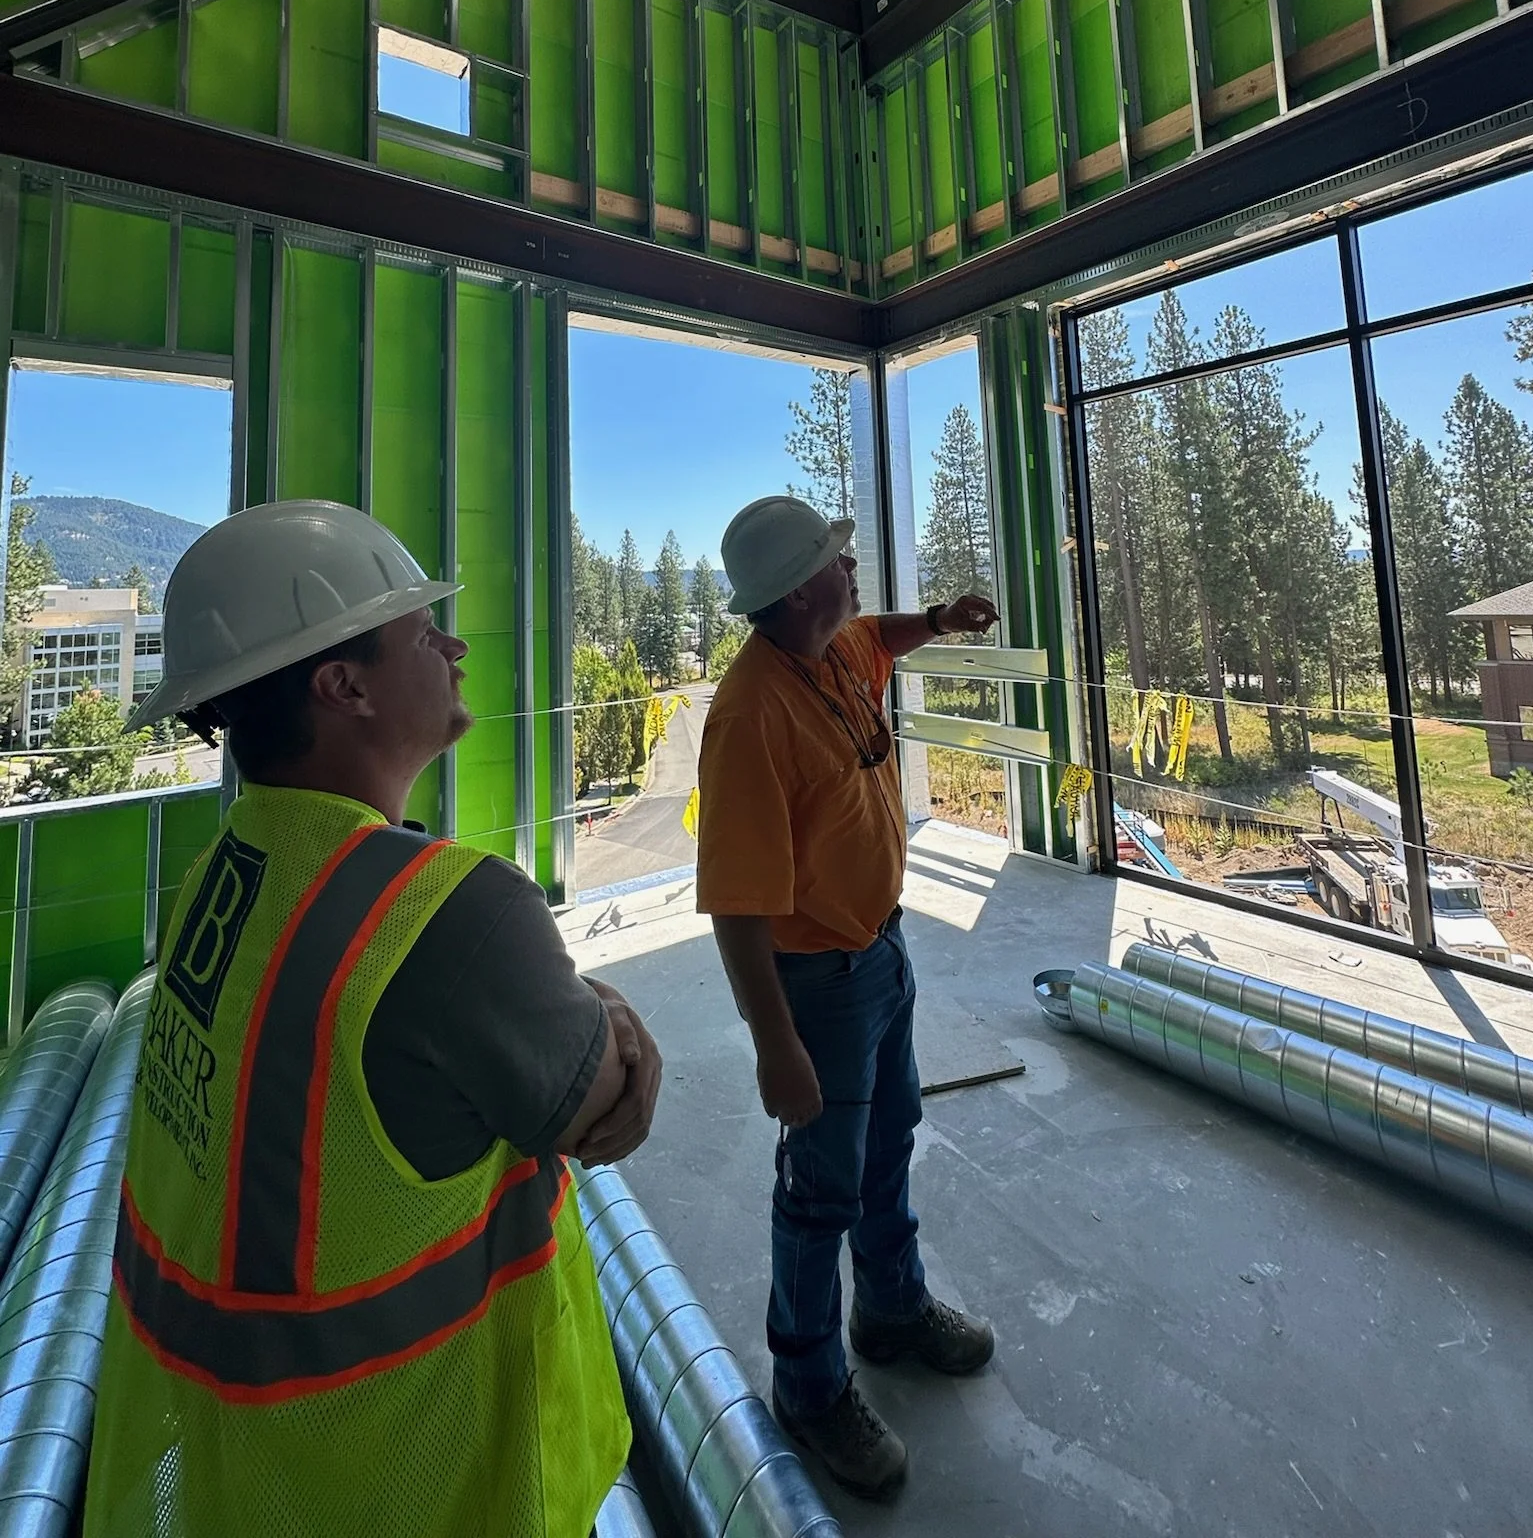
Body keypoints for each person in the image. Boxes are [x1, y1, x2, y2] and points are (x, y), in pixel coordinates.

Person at [83, 500, 661, 1538]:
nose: (455, 648)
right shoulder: (455, 914)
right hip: (432, 1479)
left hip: (251, 1482)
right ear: (343, 686)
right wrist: (613, 1012)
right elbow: (603, 1107)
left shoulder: (220, 877)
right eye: (423, 632)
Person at [695, 494, 999, 1504]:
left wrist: (940, 621)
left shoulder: (835, 648)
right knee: (819, 1189)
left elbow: (881, 635)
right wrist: (775, 1044)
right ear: (794, 591)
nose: (853, 567)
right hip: (816, 984)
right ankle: (810, 1386)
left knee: (887, 1140)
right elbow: (738, 902)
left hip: (880, 952)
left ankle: (892, 1309)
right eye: (837, 560)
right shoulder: (751, 716)